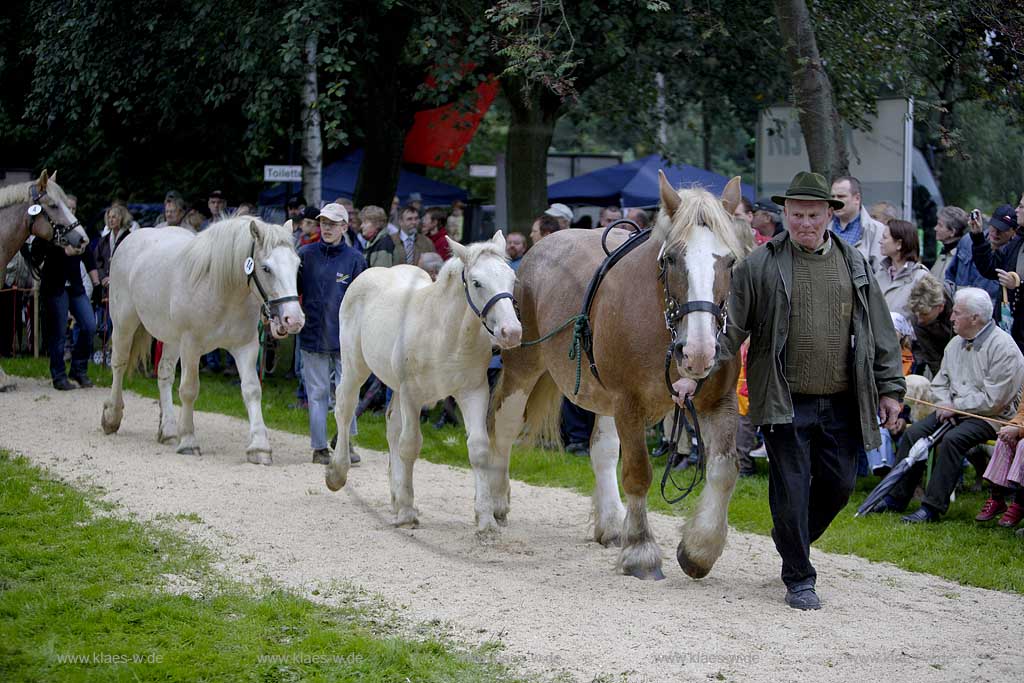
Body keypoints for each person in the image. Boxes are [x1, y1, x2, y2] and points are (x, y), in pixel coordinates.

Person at [707, 171, 905, 610]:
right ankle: (799, 577)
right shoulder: (759, 265)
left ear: (830, 215)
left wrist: (891, 389)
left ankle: (790, 535)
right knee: (791, 487)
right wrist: (696, 370)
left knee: (839, 484)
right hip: (783, 399)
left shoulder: (854, 263)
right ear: (785, 214)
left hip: (841, 399)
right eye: (796, 215)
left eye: (813, 215)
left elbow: (880, 330)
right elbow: (733, 327)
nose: (805, 224)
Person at [876, 288, 1024, 524]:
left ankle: (931, 507)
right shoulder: (955, 343)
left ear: (975, 318)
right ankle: (895, 497)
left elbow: (996, 400)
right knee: (914, 433)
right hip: (954, 410)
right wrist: (945, 402)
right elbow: (940, 382)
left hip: (993, 418)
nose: (952, 317)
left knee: (953, 440)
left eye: (957, 312)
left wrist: (955, 405)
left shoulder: (1003, 348)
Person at [298, 202, 366, 465]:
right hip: (312, 333)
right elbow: (292, 290)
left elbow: (362, 301)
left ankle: (345, 442)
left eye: (333, 224)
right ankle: (319, 448)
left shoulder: (356, 260)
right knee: (317, 393)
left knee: (347, 391)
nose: (327, 228)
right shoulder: (305, 254)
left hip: (345, 339)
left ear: (344, 227)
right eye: (323, 223)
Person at [27, 230, 100, 390]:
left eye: (73, 208)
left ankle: (78, 369)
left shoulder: (78, 230)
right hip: (55, 286)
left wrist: (96, 283)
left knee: (89, 326)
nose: (71, 211)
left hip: (75, 286)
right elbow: (36, 254)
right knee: (58, 333)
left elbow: (88, 257)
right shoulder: (48, 233)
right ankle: (58, 375)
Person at [968, 204, 1024, 353]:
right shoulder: (1016, 243)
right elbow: (990, 268)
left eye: (1022, 206)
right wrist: (978, 237)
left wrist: (1018, 285)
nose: (1017, 210)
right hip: (1009, 328)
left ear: (1012, 231)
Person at [875, 219, 930, 318]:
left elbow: (924, 320)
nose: (880, 241)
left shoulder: (921, 278)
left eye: (885, 238)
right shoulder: (879, 274)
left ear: (899, 244)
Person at [829, 176, 886, 271]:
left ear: (857, 198)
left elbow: (880, 272)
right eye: (833, 196)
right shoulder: (823, 228)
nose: (835, 200)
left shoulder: (876, 230)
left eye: (841, 196)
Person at [907, 275, 953, 376]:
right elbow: (933, 359)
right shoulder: (917, 315)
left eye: (924, 314)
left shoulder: (960, 307)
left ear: (940, 307)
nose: (919, 320)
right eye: (916, 313)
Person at [931, 206, 968, 281]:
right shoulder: (945, 252)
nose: (935, 228)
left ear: (952, 232)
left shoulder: (960, 258)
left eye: (940, 225)